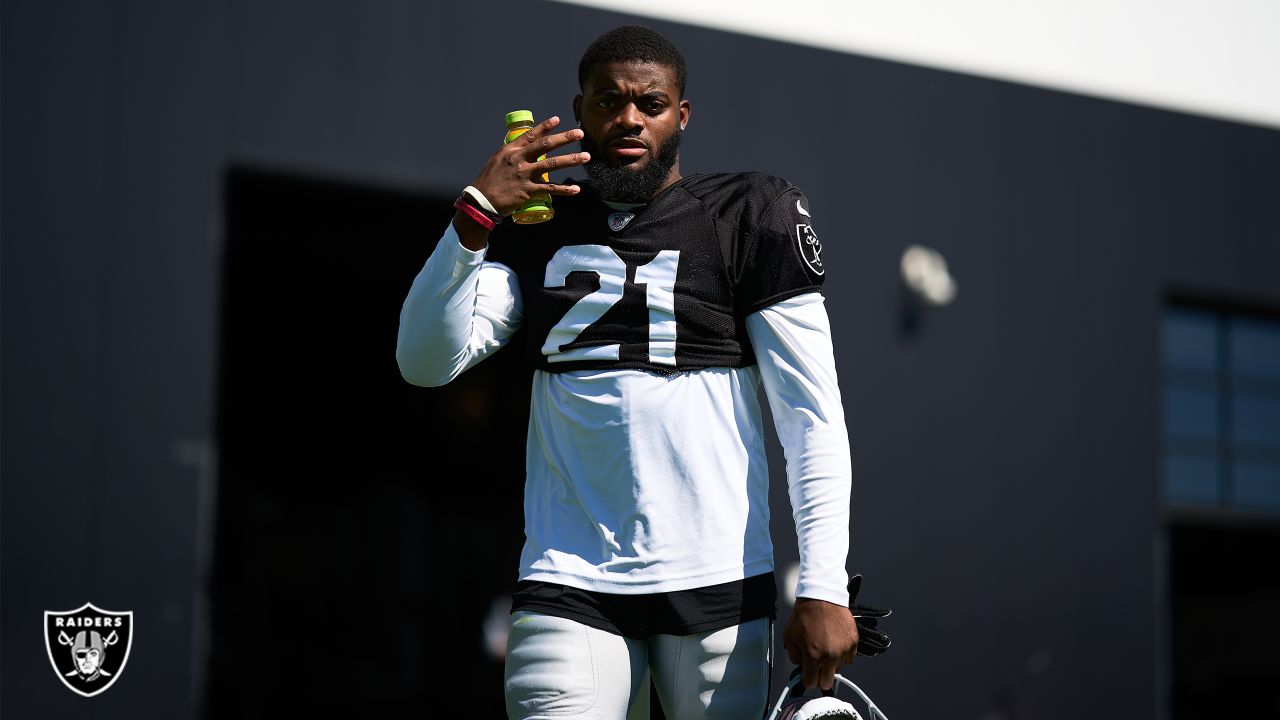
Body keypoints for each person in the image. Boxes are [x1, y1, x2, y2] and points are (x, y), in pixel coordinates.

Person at [397, 25, 859, 720]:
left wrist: (825, 584)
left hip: (718, 583)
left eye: (650, 101)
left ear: (682, 114)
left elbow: (811, 417)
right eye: (610, 100)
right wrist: (475, 216)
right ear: (580, 110)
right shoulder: (538, 225)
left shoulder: (748, 216)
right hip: (568, 579)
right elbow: (425, 362)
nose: (629, 117)